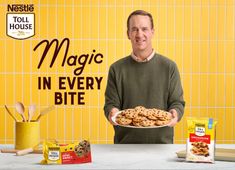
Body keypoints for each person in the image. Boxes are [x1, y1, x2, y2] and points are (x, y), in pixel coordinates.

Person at [104, 10, 185, 144]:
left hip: (162, 146)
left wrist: (175, 113)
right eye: (134, 29)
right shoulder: (116, 69)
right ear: (128, 34)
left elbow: (177, 102)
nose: (139, 34)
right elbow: (111, 104)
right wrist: (112, 112)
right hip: (125, 146)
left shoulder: (169, 67)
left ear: (152, 32)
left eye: (144, 29)